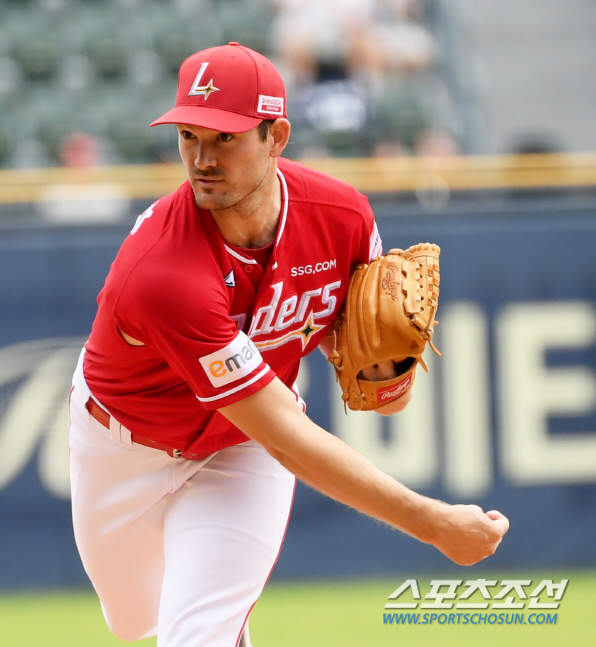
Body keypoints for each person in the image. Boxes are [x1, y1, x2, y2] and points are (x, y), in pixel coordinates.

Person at [68, 42, 509, 647]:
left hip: (240, 449)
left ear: (276, 136)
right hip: (124, 446)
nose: (202, 158)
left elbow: (371, 387)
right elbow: (288, 434)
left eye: (225, 138)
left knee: (197, 633)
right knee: (133, 621)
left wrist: (379, 367)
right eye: (189, 136)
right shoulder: (164, 273)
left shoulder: (342, 217)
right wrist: (430, 522)